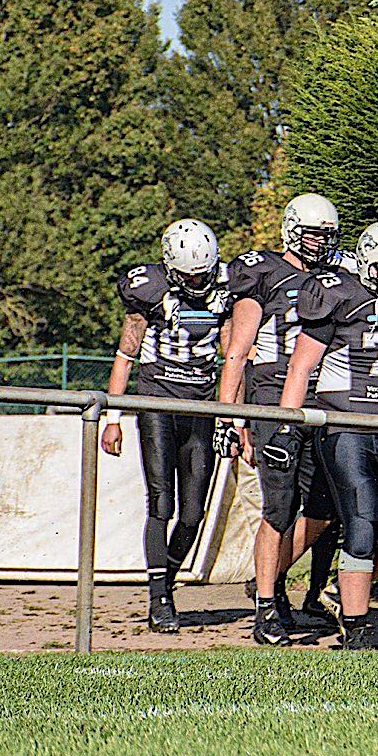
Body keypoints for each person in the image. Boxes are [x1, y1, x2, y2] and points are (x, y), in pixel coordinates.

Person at [264, 221, 378, 649]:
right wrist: (288, 424)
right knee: (361, 521)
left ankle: (344, 591)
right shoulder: (338, 294)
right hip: (345, 427)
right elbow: (301, 366)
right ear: (364, 263)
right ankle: (357, 628)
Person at [217, 193, 346, 645]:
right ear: (292, 229)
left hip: (322, 401)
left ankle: (268, 583)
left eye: (326, 235)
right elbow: (237, 350)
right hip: (273, 399)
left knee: (326, 508)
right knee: (279, 507)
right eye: (313, 233)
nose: (319, 243)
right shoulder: (264, 273)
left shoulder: (336, 276)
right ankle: (267, 609)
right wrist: (231, 418)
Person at [102, 218, 233, 633]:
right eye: (188, 275)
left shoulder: (227, 292)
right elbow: (126, 354)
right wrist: (113, 417)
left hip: (200, 409)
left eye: (203, 273)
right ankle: (159, 597)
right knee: (162, 502)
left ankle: (167, 580)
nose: (197, 281)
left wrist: (234, 416)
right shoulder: (149, 291)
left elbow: (233, 356)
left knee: (193, 514)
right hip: (156, 403)